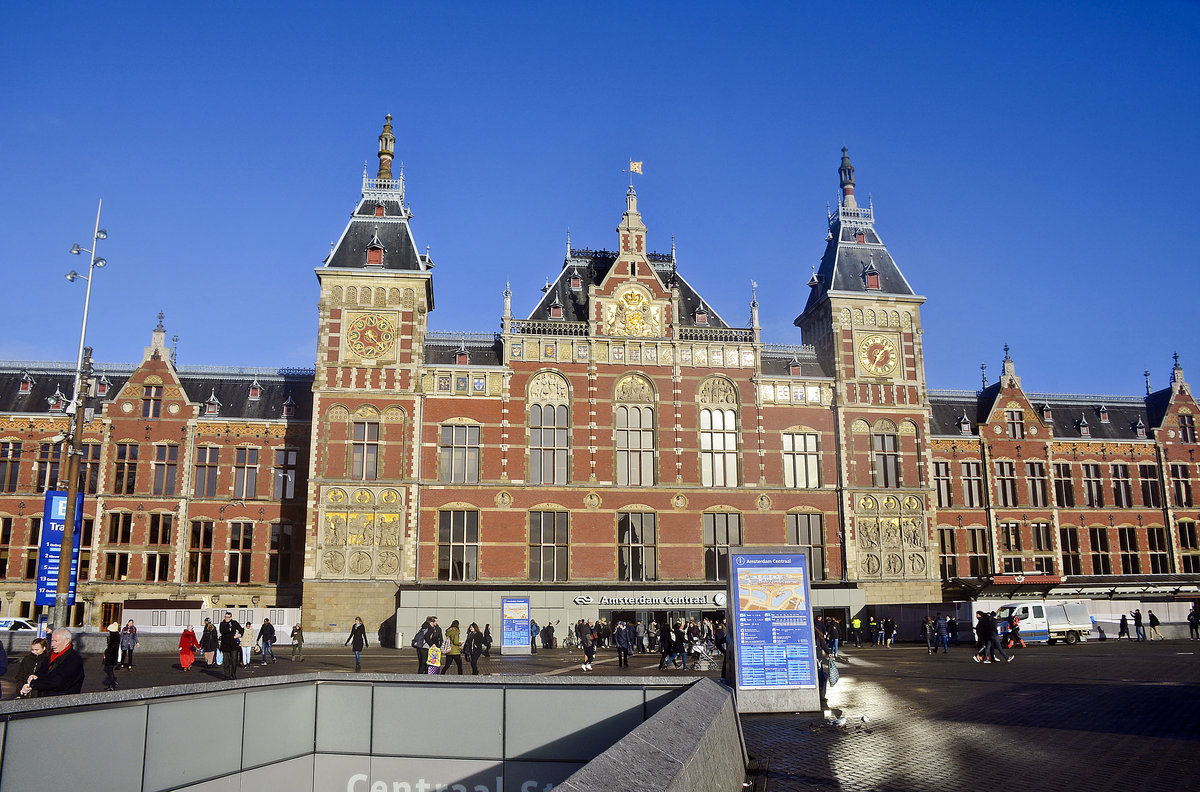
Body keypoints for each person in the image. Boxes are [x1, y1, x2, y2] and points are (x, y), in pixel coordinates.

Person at [21, 628, 84, 696]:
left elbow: (58, 682)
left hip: (62, 702)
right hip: (44, 700)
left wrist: (34, 683)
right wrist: (31, 680)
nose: (52, 645)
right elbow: (41, 673)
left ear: (67, 641)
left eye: (56, 641)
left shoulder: (74, 659)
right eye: (52, 641)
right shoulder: (50, 655)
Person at [219, 612, 245, 680]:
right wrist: (228, 627)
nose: (226, 619)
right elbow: (222, 631)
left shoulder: (234, 623)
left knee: (234, 660)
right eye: (225, 617)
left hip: (233, 645)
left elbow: (241, 630)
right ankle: (227, 675)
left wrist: (238, 635)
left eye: (228, 617)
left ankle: (233, 674)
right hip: (225, 645)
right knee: (226, 662)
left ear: (230, 617)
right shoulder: (222, 624)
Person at [102, 624, 120, 690]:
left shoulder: (113, 638)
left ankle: (112, 683)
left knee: (108, 669)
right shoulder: (116, 637)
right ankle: (112, 683)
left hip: (110, 656)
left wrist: (106, 653)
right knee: (109, 669)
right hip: (112, 656)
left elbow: (110, 648)